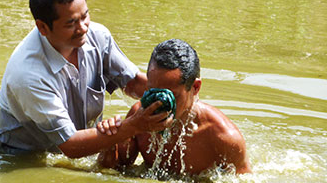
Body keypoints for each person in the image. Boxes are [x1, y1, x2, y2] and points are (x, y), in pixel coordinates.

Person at [0, 0, 172, 158]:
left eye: (85, 16)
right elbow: (70, 145)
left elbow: (133, 83)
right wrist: (134, 125)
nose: (83, 28)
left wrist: (177, 101)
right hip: (21, 157)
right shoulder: (28, 75)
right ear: (43, 27)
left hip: (76, 145)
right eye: (71, 23)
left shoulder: (97, 36)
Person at [97, 39, 252, 175]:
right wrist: (109, 140)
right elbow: (112, 171)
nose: (160, 105)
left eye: (172, 96)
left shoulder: (224, 137)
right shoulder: (139, 117)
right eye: (154, 92)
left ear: (195, 87)